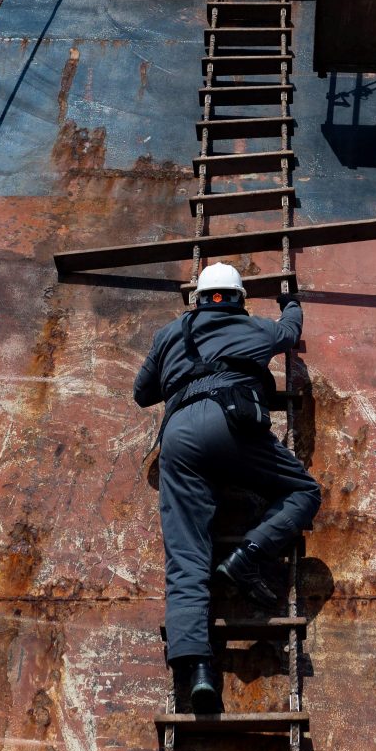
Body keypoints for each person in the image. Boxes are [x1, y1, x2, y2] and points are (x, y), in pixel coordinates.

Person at [133, 263, 321, 714]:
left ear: (199, 297)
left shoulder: (169, 333)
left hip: (179, 439)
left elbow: (142, 393)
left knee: (186, 559)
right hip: (231, 425)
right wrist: (289, 300)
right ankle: (248, 556)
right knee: (304, 492)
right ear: (237, 297)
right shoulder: (253, 329)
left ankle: (197, 671)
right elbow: (289, 332)